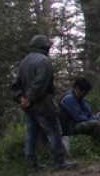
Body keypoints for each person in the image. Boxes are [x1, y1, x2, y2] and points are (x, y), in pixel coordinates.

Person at [12, 35, 76, 170]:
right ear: (44, 46)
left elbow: (16, 85)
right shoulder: (44, 61)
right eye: (48, 46)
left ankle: (31, 165)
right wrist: (28, 98)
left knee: (31, 134)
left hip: (28, 106)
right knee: (54, 131)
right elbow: (40, 84)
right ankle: (59, 162)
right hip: (43, 104)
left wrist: (21, 98)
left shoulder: (24, 62)